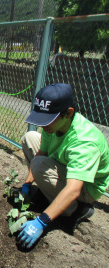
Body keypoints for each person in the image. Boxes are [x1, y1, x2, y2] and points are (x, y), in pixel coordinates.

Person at [17, 83, 109, 249]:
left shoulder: (85, 142)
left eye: (47, 121)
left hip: (85, 188)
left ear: (68, 113)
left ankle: (74, 210)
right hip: (65, 166)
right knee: (29, 137)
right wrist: (27, 184)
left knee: (38, 166)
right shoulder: (52, 125)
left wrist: (42, 221)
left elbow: (74, 188)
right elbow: (41, 153)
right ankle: (50, 195)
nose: (43, 125)